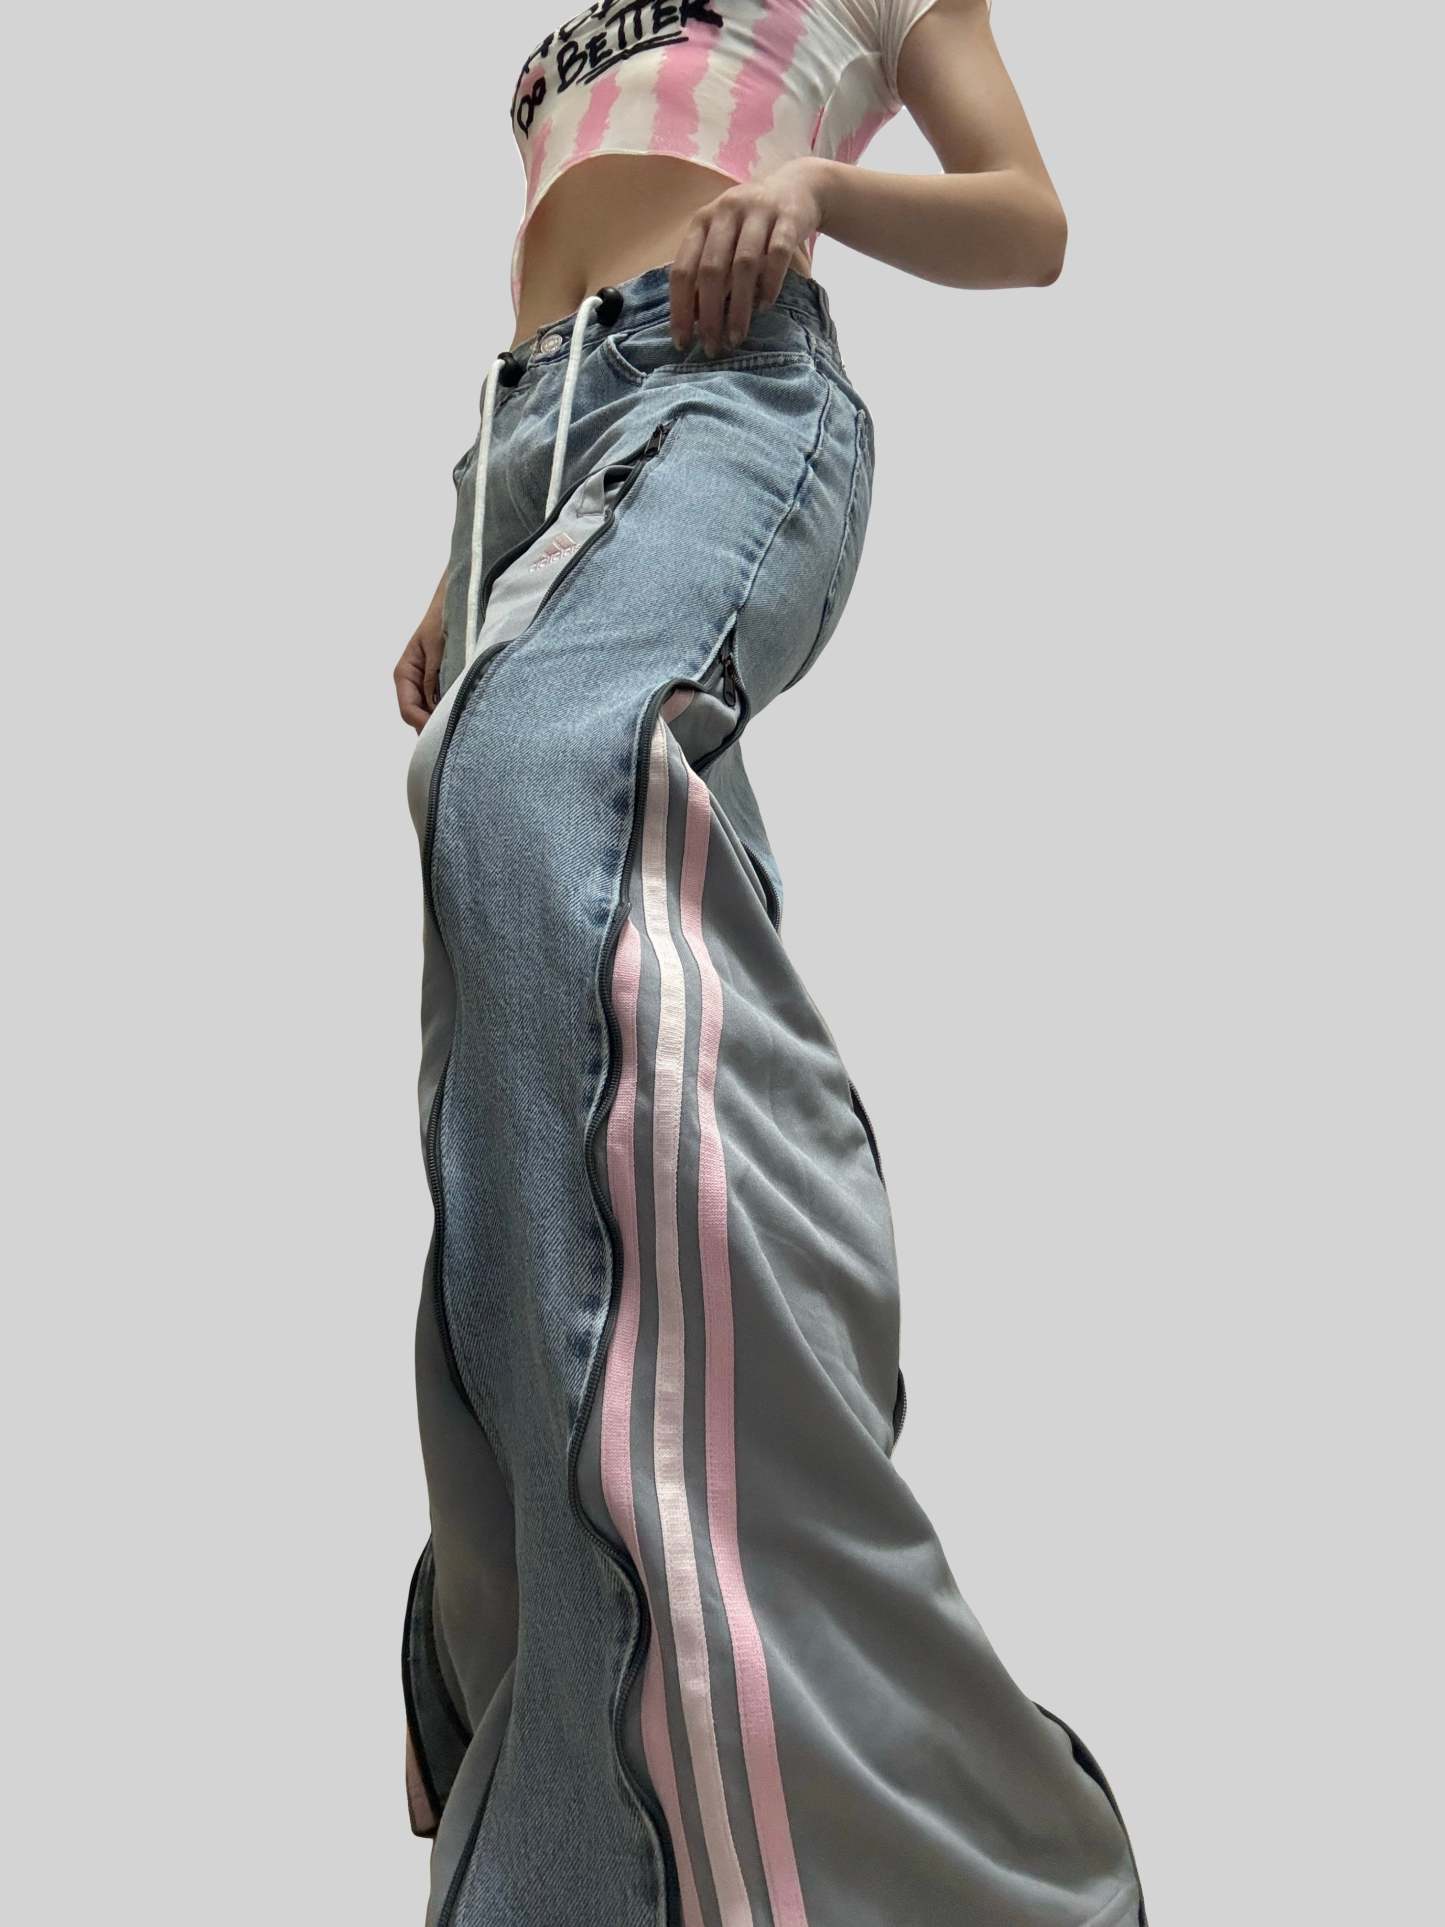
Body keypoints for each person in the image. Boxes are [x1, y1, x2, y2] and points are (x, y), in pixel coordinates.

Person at [393, 3, 1146, 1922]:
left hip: (723, 390)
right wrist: (469, 543)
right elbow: (550, 292)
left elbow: (1029, 218)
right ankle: (545, 1557)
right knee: (552, 973)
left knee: (547, 797)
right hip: (538, 451)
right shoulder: (560, 34)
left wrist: (815, 189)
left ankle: (657, 1681)